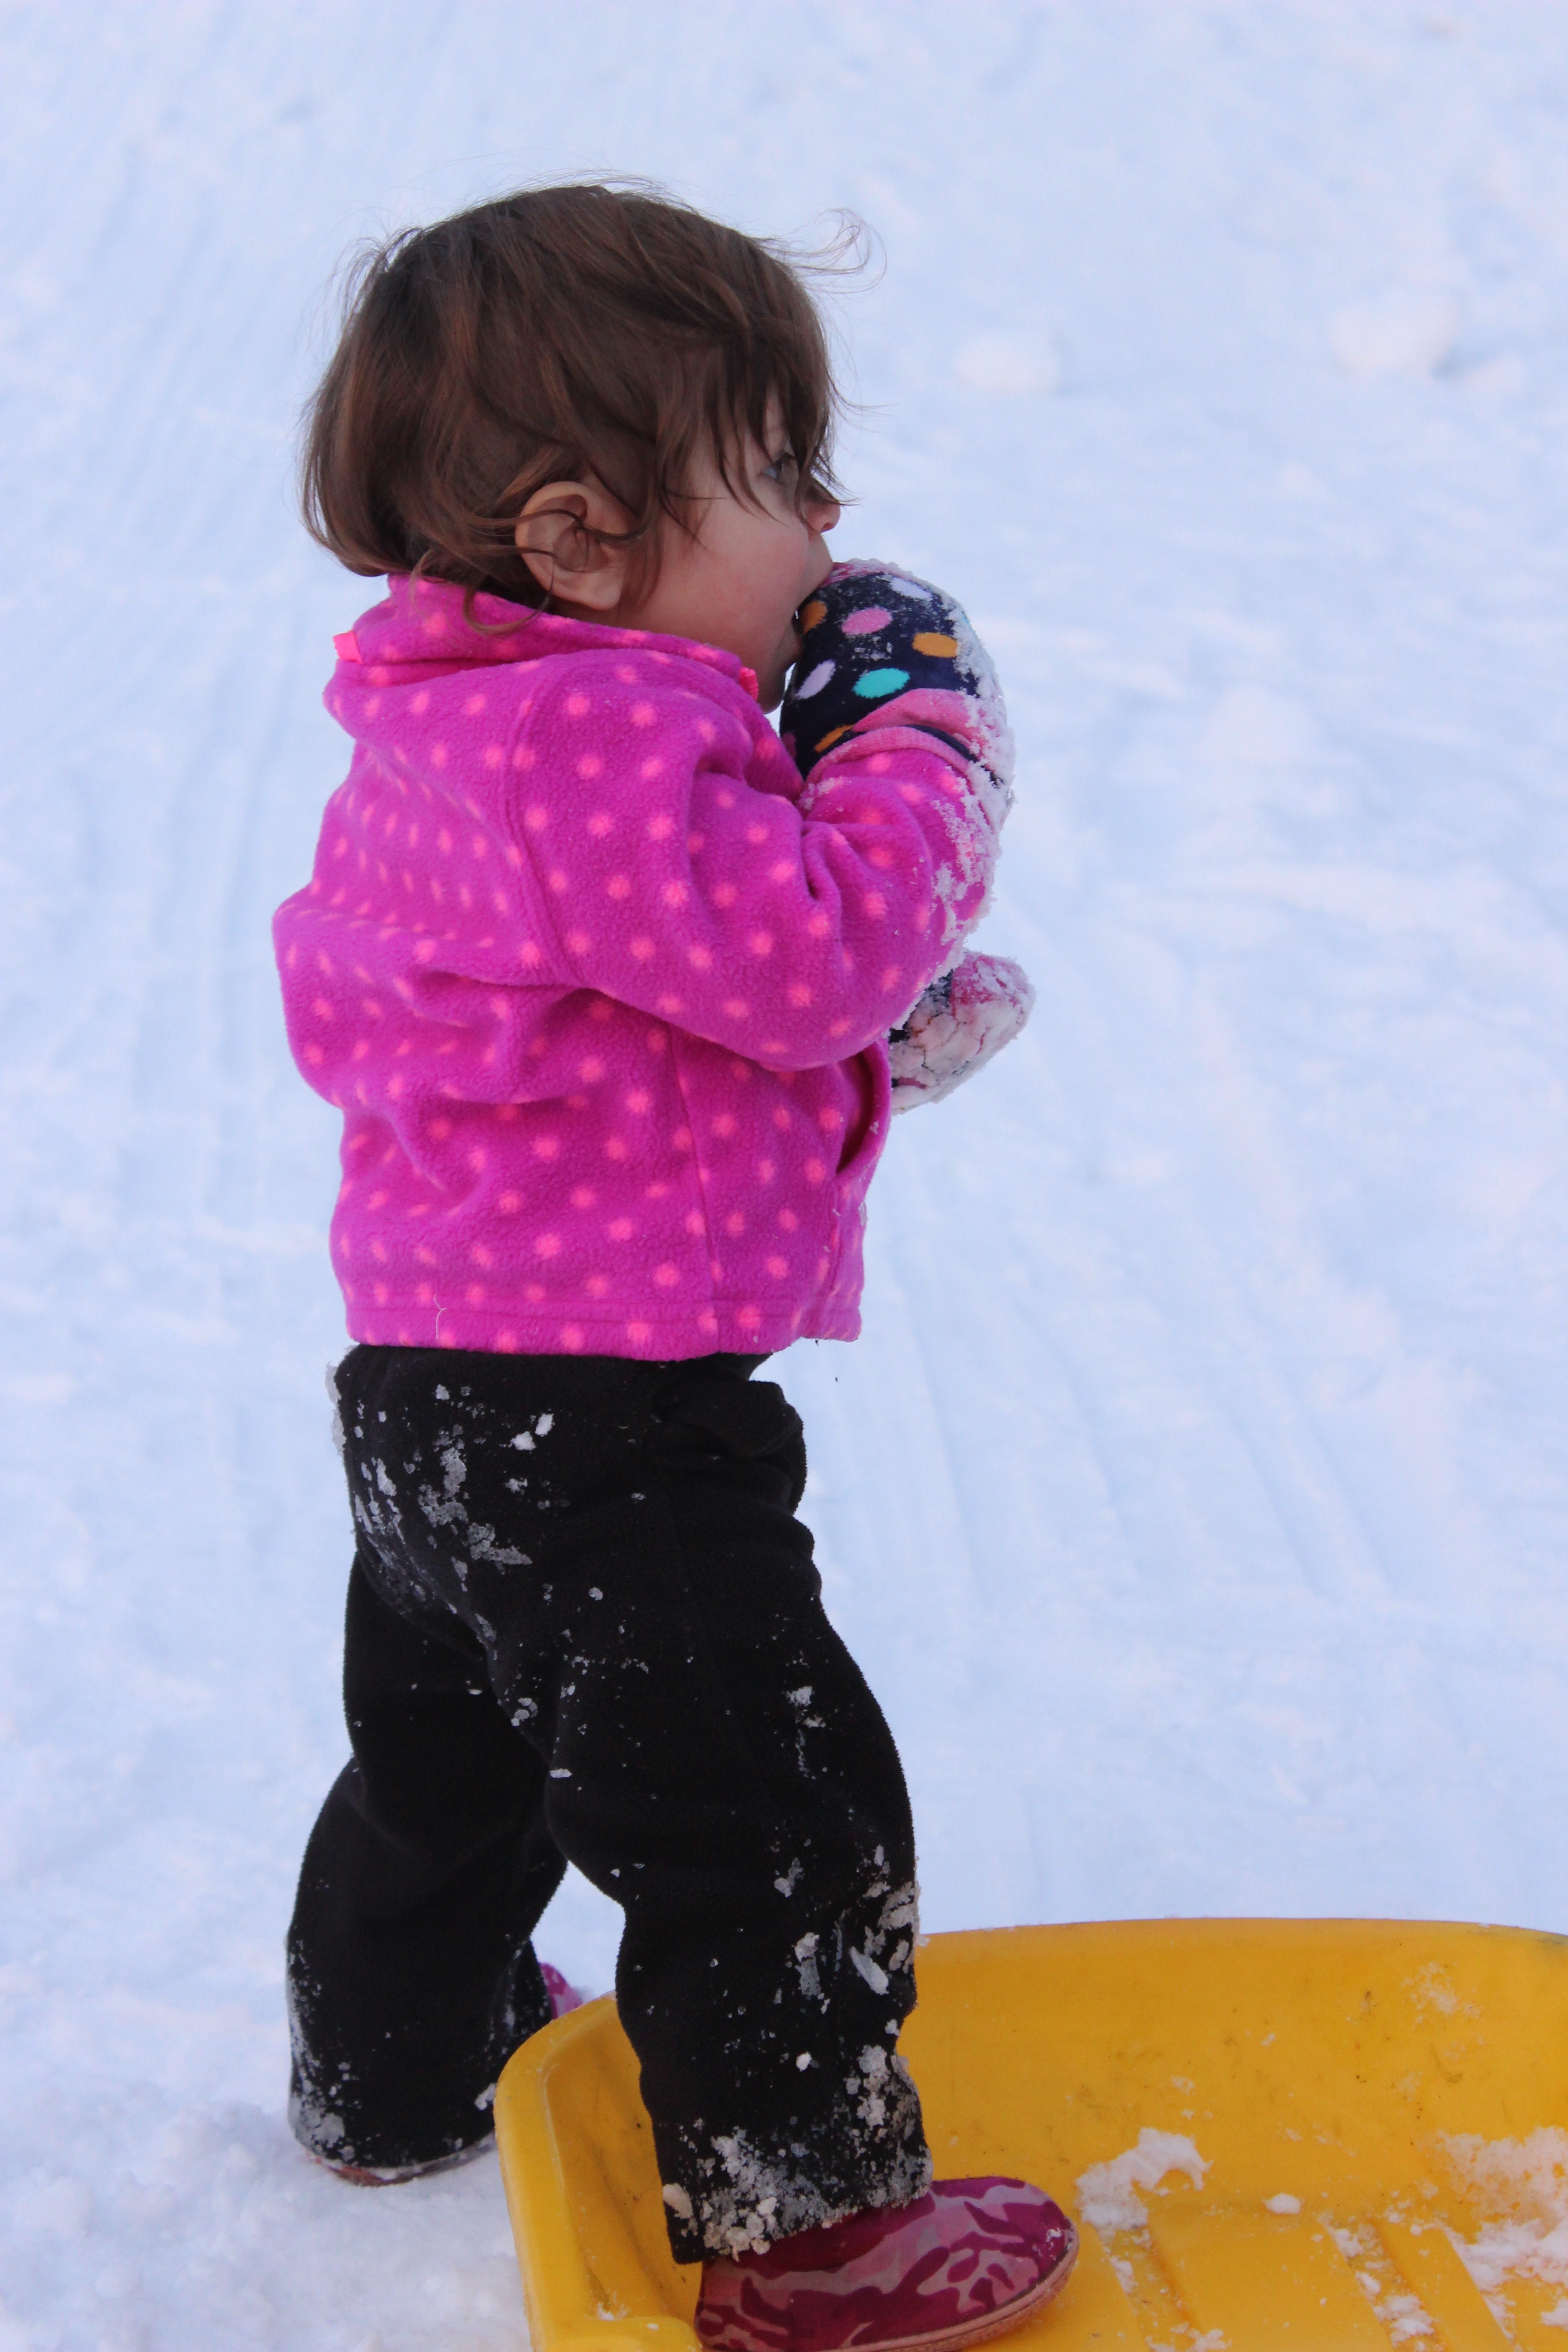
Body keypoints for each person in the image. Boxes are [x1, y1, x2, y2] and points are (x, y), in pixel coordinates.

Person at [274, 182, 1072, 2352]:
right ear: (579, 537)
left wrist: (864, 1059)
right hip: (613, 1419)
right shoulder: (604, 732)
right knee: (760, 1806)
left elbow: (593, 1027)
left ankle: (397, 2069)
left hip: (440, 1386)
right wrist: (916, 752)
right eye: (781, 473)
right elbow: (802, 953)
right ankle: (810, 2227)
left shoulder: (449, 724)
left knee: (456, 1765)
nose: (830, 523)